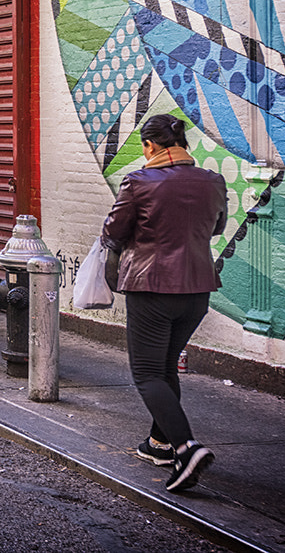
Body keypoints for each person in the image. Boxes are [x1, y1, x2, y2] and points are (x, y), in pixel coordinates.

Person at [101, 114, 227, 492]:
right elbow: (217, 227)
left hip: (151, 286)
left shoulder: (139, 181)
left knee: (147, 373)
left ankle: (187, 449)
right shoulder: (213, 180)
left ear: (150, 146)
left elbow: (114, 231)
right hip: (197, 289)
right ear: (183, 144)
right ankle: (159, 443)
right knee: (166, 365)